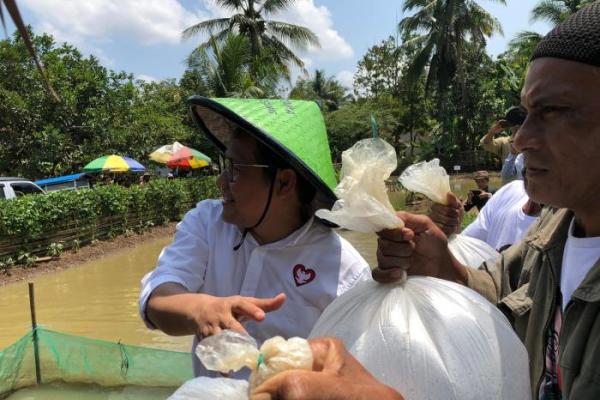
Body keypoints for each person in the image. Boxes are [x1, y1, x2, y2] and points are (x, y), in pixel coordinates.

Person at [251, 3, 600, 398]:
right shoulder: (556, 229)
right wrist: (444, 265)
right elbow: (507, 286)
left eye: (553, 111)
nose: (522, 139)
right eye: (527, 112)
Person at [139, 98, 370, 378]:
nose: (221, 182)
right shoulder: (207, 224)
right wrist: (200, 309)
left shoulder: (346, 272)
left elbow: (353, 371)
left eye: (236, 170)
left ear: (284, 182)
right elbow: (159, 298)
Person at [432, 179, 542, 251]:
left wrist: (489, 196)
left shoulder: (492, 191)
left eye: (482, 181)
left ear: (487, 181)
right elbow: (465, 251)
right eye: (478, 181)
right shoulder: (510, 191)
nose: (480, 184)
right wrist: (452, 226)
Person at [480, 106, 526, 184]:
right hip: (509, 189)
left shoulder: (533, 142)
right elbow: (485, 144)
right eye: (514, 126)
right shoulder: (504, 142)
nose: (517, 128)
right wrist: (492, 132)